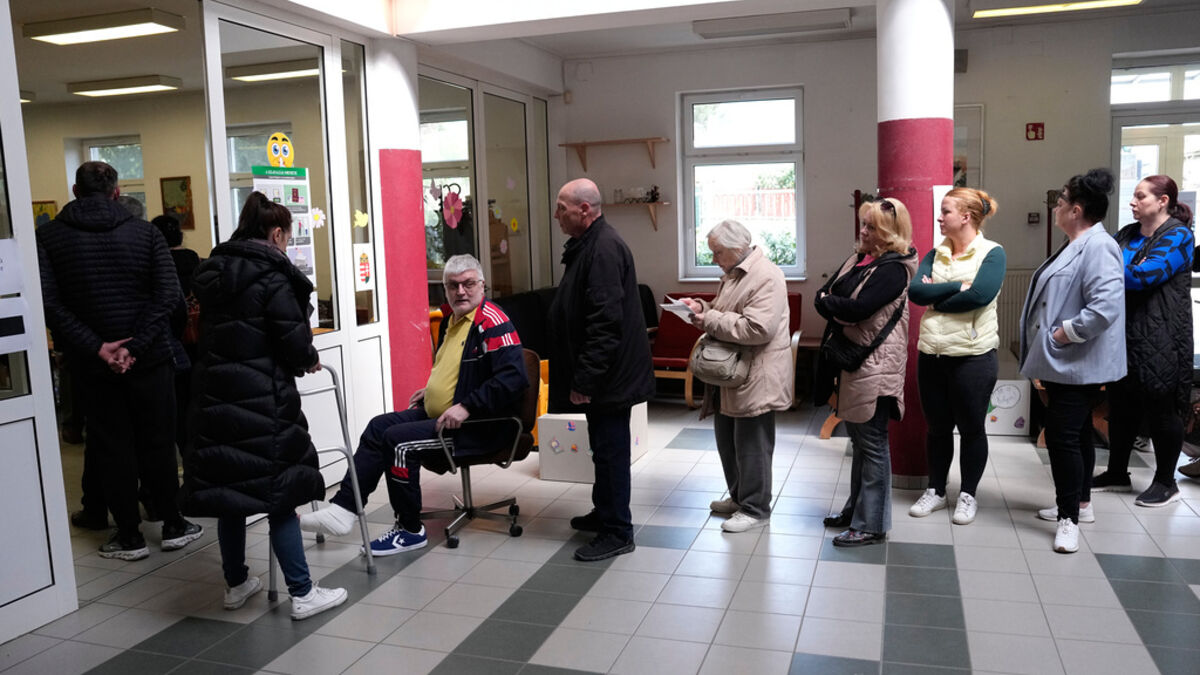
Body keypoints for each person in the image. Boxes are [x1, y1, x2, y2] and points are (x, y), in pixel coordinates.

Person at [181, 192, 346, 620]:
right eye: (288, 237)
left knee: (230, 496)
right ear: (276, 234)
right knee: (280, 496)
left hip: (215, 399)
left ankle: (236, 584)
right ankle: (303, 593)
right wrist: (308, 359)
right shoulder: (273, 277)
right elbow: (294, 343)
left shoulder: (213, 272)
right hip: (262, 400)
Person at [299, 254, 528, 555]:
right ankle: (344, 509)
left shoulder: (492, 322)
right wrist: (431, 391)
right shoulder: (452, 320)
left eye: (468, 284)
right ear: (445, 288)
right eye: (453, 285)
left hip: (478, 425)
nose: (460, 291)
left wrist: (467, 406)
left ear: (482, 284)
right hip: (444, 415)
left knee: (398, 442)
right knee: (378, 427)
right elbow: (457, 369)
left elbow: (514, 378)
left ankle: (409, 530)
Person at [37, 161, 203, 560]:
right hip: (150, 360)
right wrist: (135, 346)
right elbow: (168, 297)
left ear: (75, 191)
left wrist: (98, 347)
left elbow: (49, 302)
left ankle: (128, 535)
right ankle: (173, 523)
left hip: (92, 366)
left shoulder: (48, 237)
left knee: (112, 447)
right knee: (158, 442)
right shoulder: (146, 234)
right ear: (116, 192)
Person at [1019, 168, 1125, 553]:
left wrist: (1062, 333)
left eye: (1060, 201)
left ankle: (1069, 521)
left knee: (1062, 438)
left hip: (1077, 362)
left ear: (1076, 209)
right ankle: (1080, 504)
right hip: (1066, 363)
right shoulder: (1076, 243)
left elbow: (1105, 308)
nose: (1056, 207)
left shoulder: (1099, 246)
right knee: (1078, 433)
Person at [549, 178, 655, 562]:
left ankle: (618, 531)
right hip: (606, 377)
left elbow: (605, 323)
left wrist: (586, 380)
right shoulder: (589, 244)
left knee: (611, 454)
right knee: (602, 450)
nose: (556, 215)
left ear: (584, 210)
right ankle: (604, 512)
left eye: (562, 208)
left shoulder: (604, 248)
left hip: (610, 379)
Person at [678, 220, 792, 533]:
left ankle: (756, 509)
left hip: (756, 374)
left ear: (738, 248)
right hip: (732, 373)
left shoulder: (766, 275)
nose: (713, 258)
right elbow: (724, 308)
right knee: (727, 441)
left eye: (717, 252)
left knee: (752, 446)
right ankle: (740, 498)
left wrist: (709, 318)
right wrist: (699, 306)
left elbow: (757, 328)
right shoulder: (735, 273)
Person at [816, 197, 918, 546]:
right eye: (863, 224)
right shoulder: (860, 258)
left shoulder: (893, 269)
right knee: (860, 444)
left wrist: (830, 303)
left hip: (876, 367)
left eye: (871, 227)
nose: (863, 231)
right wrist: (831, 302)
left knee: (872, 444)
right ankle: (856, 512)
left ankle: (871, 524)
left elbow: (857, 309)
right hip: (857, 364)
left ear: (890, 233)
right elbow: (824, 294)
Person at [1090, 175, 1194, 507]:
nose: (1133, 202)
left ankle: (1166, 482)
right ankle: (1117, 472)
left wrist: (1108, 268)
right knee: (1121, 406)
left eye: (1140, 196)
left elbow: (1144, 276)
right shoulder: (1127, 234)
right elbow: (1102, 264)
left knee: (1163, 408)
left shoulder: (1178, 235)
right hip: (1123, 334)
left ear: (1163, 201)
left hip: (1163, 335)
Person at [906, 188, 1005, 525]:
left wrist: (936, 297)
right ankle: (936, 490)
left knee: (972, 428)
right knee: (937, 428)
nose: (939, 217)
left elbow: (979, 296)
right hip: (932, 353)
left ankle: (968, 495)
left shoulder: (992, 253)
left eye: (945, 211)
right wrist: (954, 286)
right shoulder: (936, 253)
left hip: (972, 356)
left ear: (966, 216)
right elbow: (916, 291)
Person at [152, 213, 201, 453]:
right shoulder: (198, 263)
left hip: (171, 346)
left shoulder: (157, 268)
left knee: (176, 404)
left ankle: (183, 448)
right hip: (201, 342)